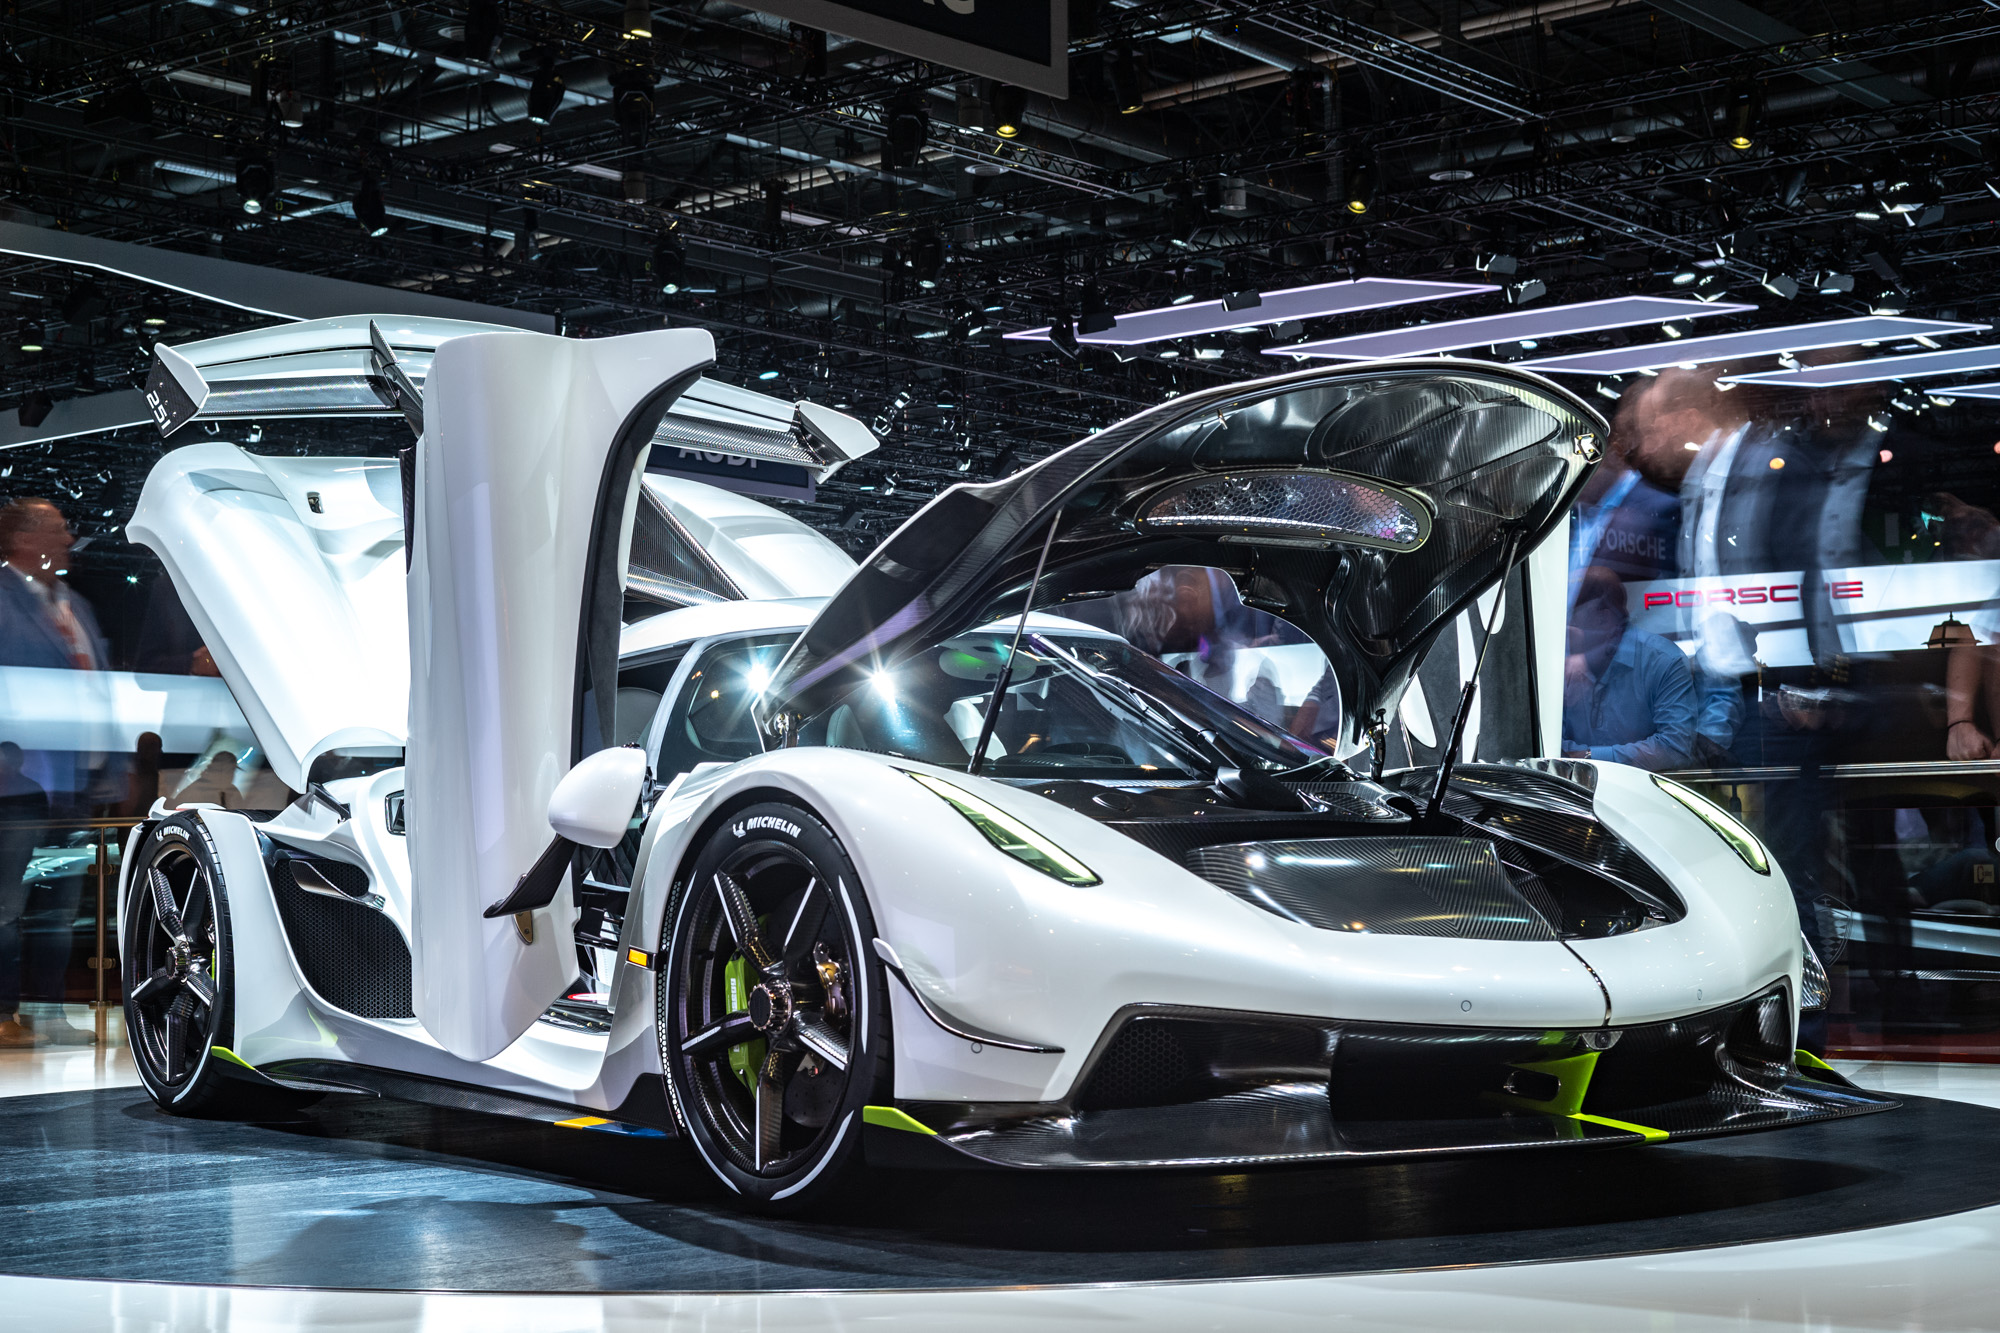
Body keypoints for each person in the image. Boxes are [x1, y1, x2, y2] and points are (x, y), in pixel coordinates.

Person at [1562, 565, 1697, 771]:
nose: (1565, 625)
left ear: (1603, 618)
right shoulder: (1559, 661)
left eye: (1571, 614)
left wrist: (1586, 758)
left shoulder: (1663, 661)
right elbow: (1544, 740)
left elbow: (1674, 747)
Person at [0, 498, 105, 673]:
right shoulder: (3, 602)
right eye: (56, 531)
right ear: (24, 540)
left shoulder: (80, 605)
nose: (68, 539)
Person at [0, 742, 49, 1049]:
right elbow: (39, 833)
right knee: (6, 939)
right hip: (11, 884)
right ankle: (4, 1018)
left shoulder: (27, 791)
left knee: (7, 938)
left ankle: (5, 1017)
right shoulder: (29, 791)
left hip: (11, 882)